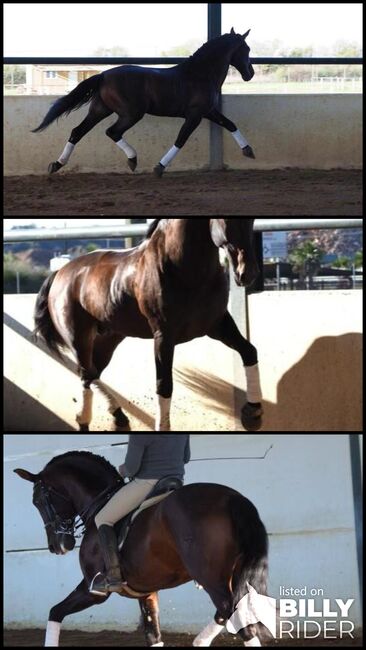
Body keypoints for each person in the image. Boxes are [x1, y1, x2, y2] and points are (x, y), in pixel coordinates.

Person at [91, 434, 191, 595]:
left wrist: (122, 470)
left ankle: (113, 576)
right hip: (176, 482)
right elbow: (186, 458)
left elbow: (132, 468)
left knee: (103, 519)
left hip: (147, 483)